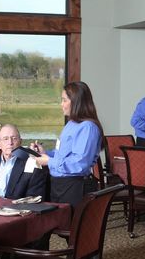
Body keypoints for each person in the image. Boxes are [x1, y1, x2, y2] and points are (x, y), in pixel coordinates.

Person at [33, 81, 103, 209]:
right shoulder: (71, 124)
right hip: (59, 184)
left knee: (72, 227)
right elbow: (64, 154)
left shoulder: (88, 127)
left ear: (76, 102)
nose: (61, 104)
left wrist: (49, 161)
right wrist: (46, 153)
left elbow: (80, 164)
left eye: (64, 100)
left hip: (74, 186)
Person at [0, 124, 47, 199]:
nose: (10, 143)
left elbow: (34, 200)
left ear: (20, 142)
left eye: (14, 138)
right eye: (5, 139)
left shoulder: (33, 166)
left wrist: (0, 199)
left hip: (15, 210)